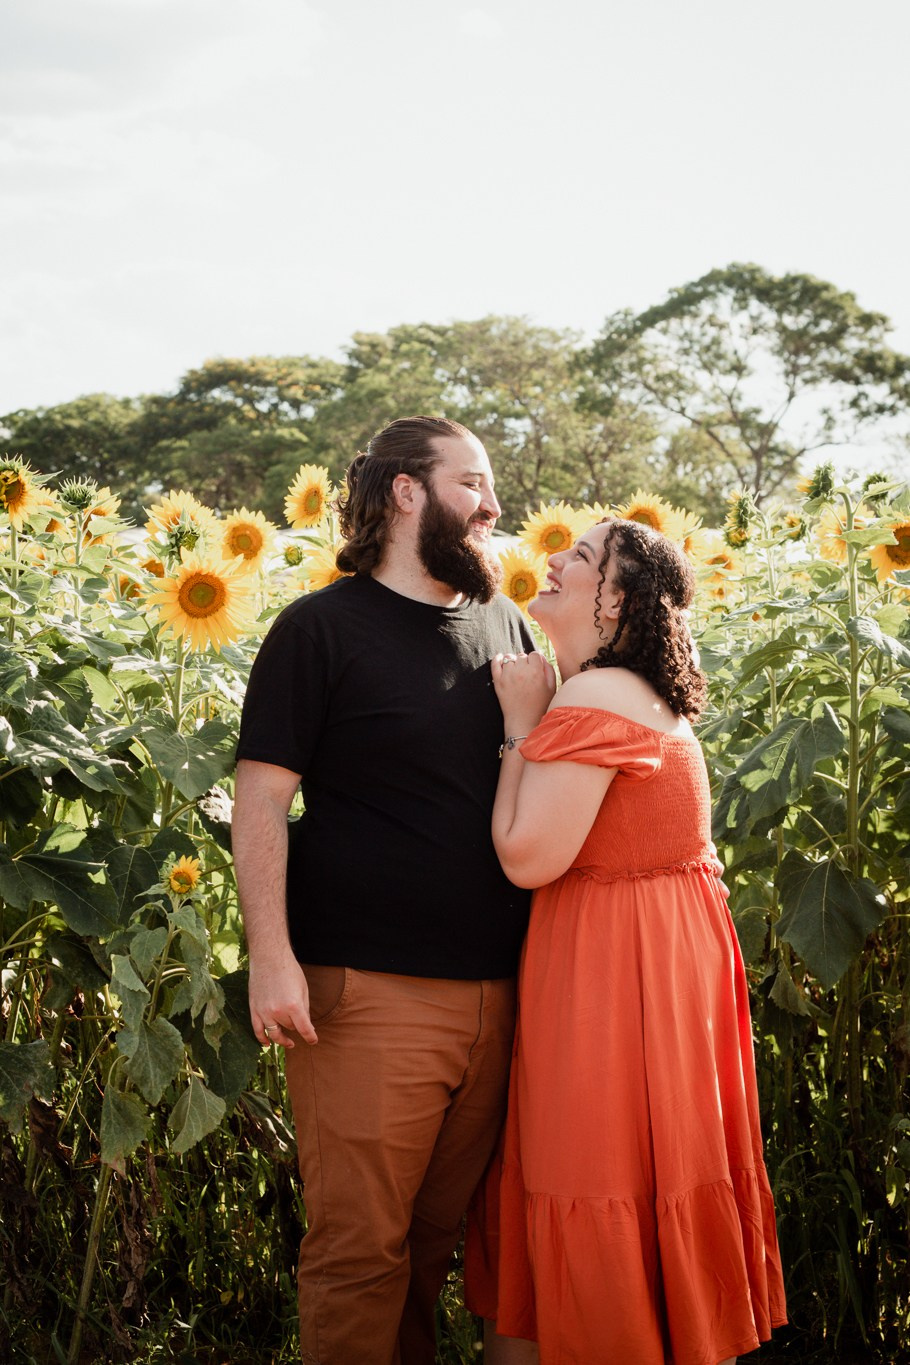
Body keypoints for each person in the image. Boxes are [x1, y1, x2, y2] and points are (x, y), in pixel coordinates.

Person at [231, 415, 536, 1365]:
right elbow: (261, 799)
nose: (494, 506)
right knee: (361, 1250)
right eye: (474, 484)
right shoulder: (320, 629)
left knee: (431, 1248)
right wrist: (272, 957)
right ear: (407, 491)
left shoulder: (508, 625)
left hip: (500, 994)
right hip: (366, 993)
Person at [465, 517, 787, 1365]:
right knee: (636, 1186)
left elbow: (526, 854)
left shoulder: (594, 696)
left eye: (582, 556)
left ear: (617, 600)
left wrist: (519, 726)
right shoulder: (645, 694)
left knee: (587, 1179)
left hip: (612, 981)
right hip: (662, 970)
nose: (555, 559)